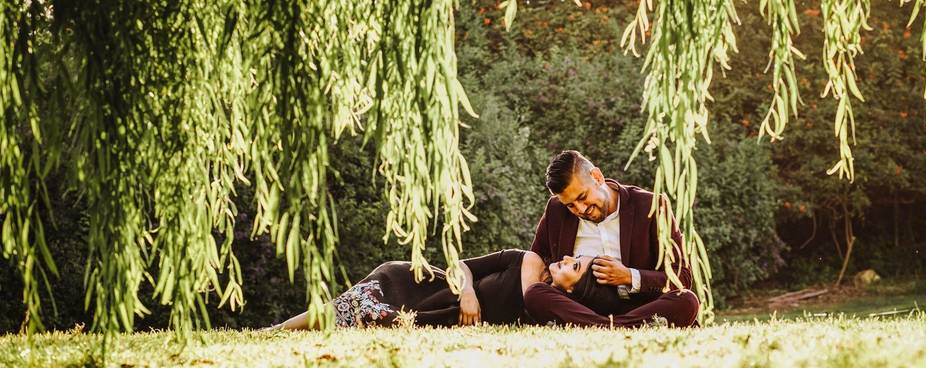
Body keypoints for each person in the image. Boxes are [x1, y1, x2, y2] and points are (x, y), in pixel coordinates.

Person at [524, 149, 701, 328]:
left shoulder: (652, 206)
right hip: (578, 308)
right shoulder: (556, 210)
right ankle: (616, 327)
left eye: (583, 197)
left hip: (640, 307)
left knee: (686, 300)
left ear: (597, 177)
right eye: (570, 205)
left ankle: (602, 327)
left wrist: (629, 276)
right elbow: (537, 260)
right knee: (535, 293)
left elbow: (681, 276)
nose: (581, 209)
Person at [272, 248, 616, 329]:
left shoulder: (549, 309)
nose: (567, 257)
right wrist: (468, 292)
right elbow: (461, 264)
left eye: (575, 266)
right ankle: (273, 331)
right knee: (353, 304)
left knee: (363, 315)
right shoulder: (525, 260)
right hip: (429, 287)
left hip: (435, 316)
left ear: (574, 290)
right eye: (575, 257)